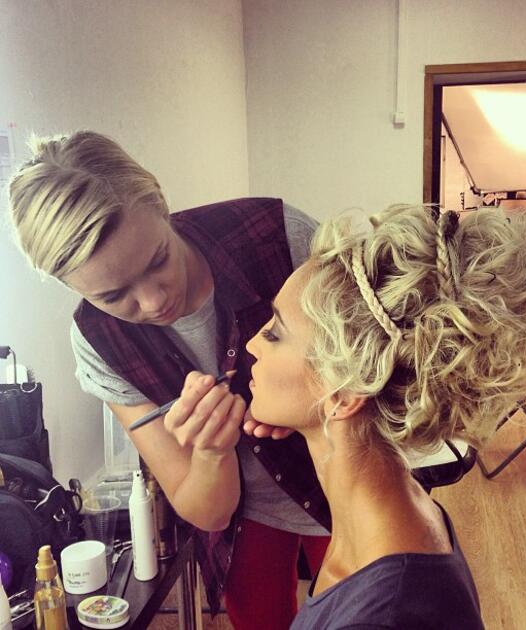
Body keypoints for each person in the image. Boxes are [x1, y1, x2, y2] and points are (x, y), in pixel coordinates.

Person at [8, 131, 331, 629]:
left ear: (159, 201)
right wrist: (210, 453)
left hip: (345, 482)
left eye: (158, 259)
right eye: (113, 296)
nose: (155, 302)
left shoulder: (276, 234)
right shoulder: (97, 342)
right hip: (247, 518)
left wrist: (313, 407)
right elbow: (207, 512)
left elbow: (377, 378)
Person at [246, 205, 526, 629]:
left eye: (274, 333)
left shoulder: (384, 615)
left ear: (344, 392)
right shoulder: (397, 509)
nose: (252, 344)